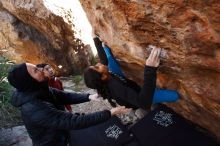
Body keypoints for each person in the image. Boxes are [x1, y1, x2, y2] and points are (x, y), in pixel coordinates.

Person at [7, 62, 130, 146]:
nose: (40, 69)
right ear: (29, 81)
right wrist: (109, 113)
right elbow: (72, 121)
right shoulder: (34, 107)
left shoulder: (38, 88)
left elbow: (63, 96)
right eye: (35, 70)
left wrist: (88, 96)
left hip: (62, 135)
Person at [84, 35, 179, 110]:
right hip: (140, 97)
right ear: (103, 77)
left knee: (109, 59)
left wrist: (96, 40)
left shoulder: (106, 75)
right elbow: (144, 103)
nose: (98, 63)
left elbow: (104, 61)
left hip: (120, 80)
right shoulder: (117, 87)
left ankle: (106, 49)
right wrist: (150, 69)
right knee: (175, 95)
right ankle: (152, 105)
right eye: (97, 67)